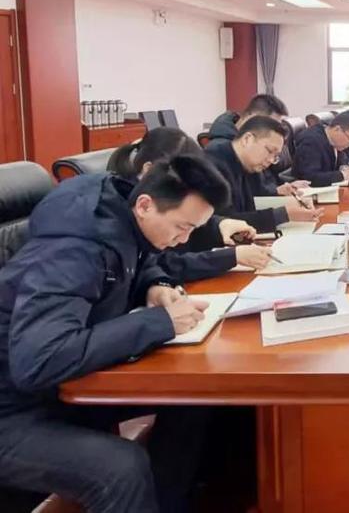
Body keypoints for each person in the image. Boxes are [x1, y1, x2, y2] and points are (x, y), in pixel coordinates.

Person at [0, 155, 231, 512]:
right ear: (145, 205)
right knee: (121, 469)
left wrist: (155, 286)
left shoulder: (121, 217)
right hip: (14, 409)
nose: (183, 239)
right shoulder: (72, 249)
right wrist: (159, 322)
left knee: (193, 398)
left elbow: (137, 264)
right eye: (182, 227)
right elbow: (40, 359)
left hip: (57, 389)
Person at [108, 128, 271, 279]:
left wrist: (220, 225)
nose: (184, 238)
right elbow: (164, 263)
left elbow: (185, 217)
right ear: (149, 170)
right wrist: (229, 257)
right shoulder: (118, 217)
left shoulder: (154, 207)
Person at [205, 116, 320, 232]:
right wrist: (284, 214)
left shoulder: (252, 165)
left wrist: (288, 200)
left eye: (275, 156)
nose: (270, 160)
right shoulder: (213, 166)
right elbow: (225, 222)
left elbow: (258, 199)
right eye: (269, 151)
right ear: (247, 139)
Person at [292, 110, 349, 185]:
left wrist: (347, 169)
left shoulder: (334, 142)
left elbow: (342, 164)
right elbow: (309, 177)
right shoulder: (311, 142)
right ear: (337, 129)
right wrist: (343, 175)